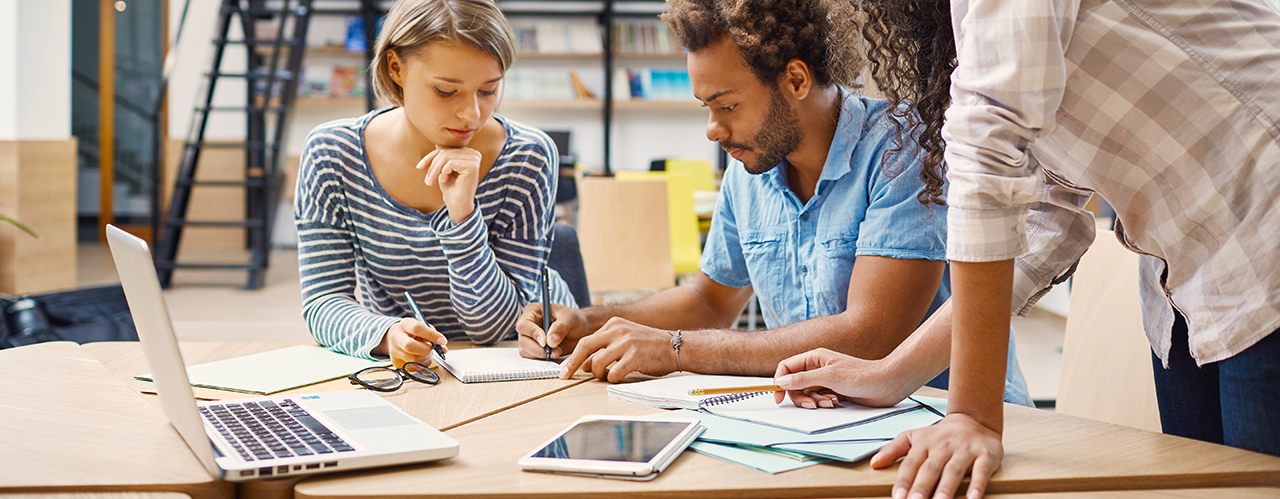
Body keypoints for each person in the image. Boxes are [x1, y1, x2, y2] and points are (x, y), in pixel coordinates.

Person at [774, 0, 1280, 498]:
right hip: (1188, 277)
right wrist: (891, 373)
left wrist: (972, 414)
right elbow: (1044, 218)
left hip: (1264, 229)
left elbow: (988, 151)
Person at [514, 0, 1031, 407]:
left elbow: (870, 335)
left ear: (797, 80)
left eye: (727, 105)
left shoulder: (902, 147)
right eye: (706, 108)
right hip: (825, 422)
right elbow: (709, 300)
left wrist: (674, 349)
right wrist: (590, 322)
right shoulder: (751, 168)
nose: (714, 129)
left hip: (941, 415)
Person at [294, 0, 576, 367]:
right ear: (395, 67)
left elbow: (493, 327)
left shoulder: (528, 156)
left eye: (489, 90)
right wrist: (384, 333)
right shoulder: (332, 153)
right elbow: (323, 301)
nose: (471, 114)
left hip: (525, 361)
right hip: (417, 368)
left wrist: (462, 217)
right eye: (446, 91)